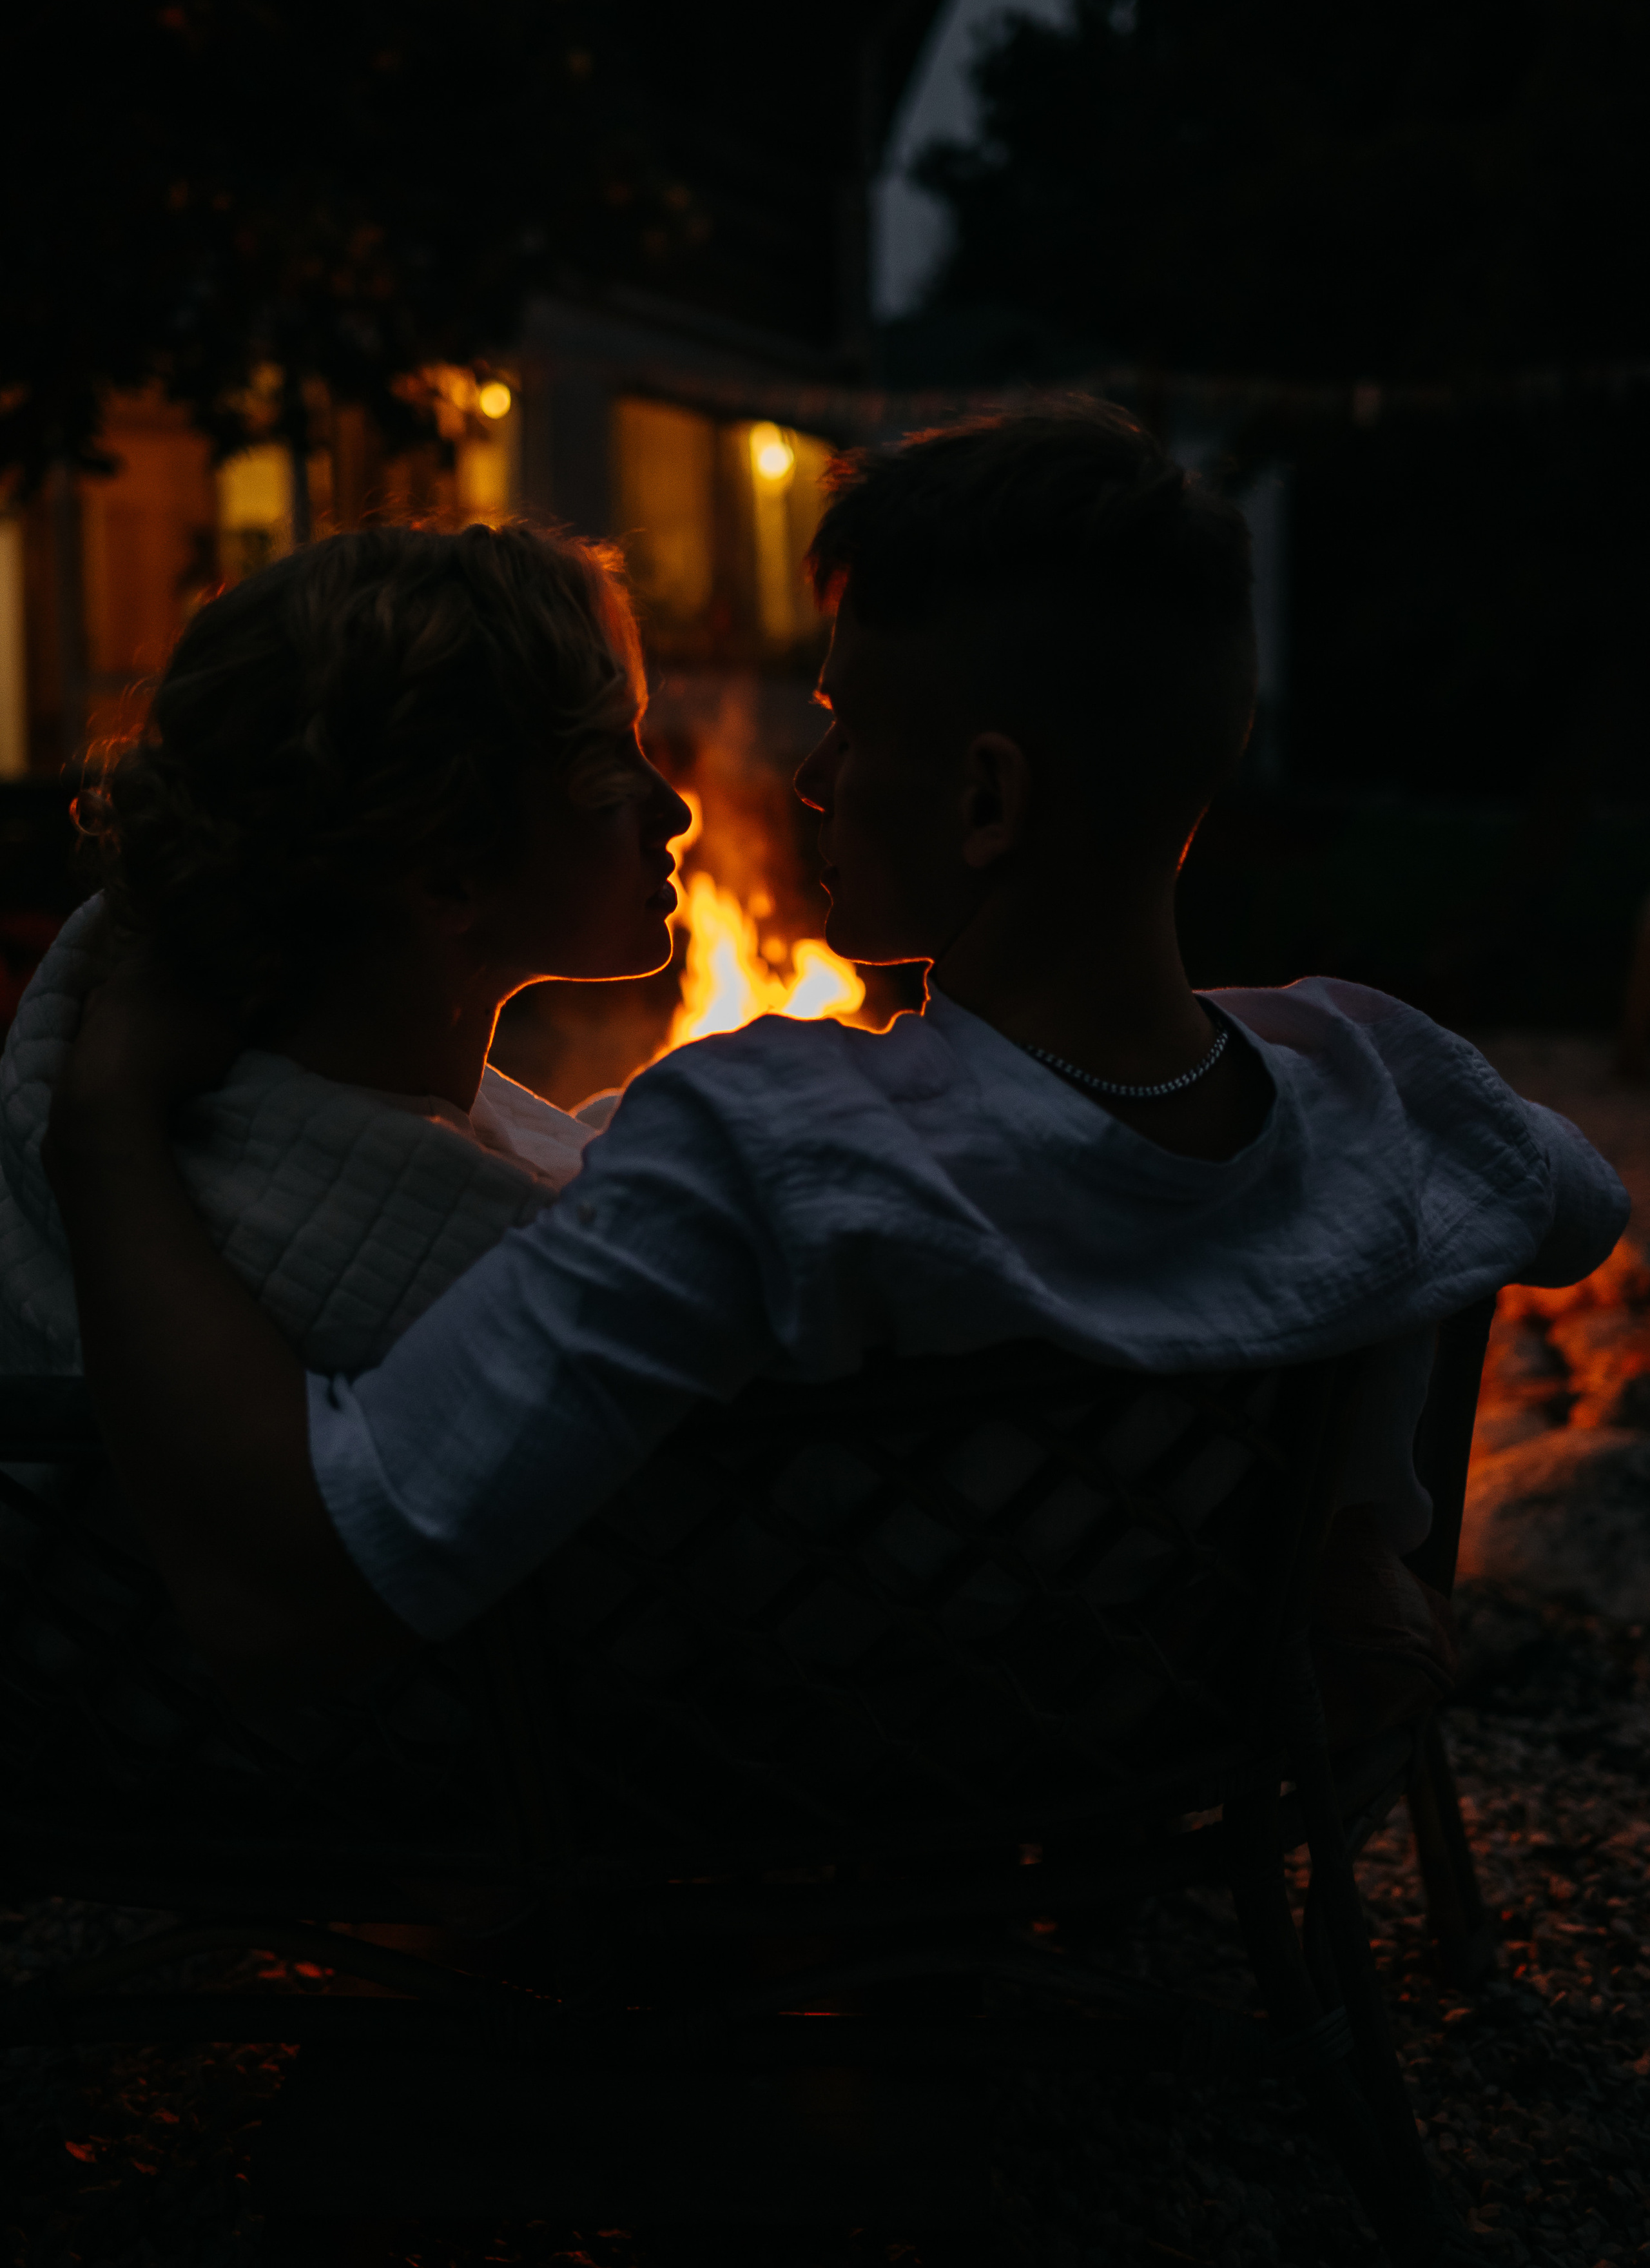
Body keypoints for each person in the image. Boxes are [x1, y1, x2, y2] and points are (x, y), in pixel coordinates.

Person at [44, 409, 1628, 1694]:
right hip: (1174, 1735)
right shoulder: (1389, 1081)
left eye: (848, 730)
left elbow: (311, 1583)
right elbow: (1570, 1208)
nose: (805, 780)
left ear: (986, 802)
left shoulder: (761, 1154)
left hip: (814, 1788)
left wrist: (103, 1127)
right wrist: (1358, 1529)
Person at [1, 521, 688, 1376]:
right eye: (612, 764)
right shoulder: (456, 1298)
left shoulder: (248, 1150)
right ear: (446, 869)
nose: (673, 810)